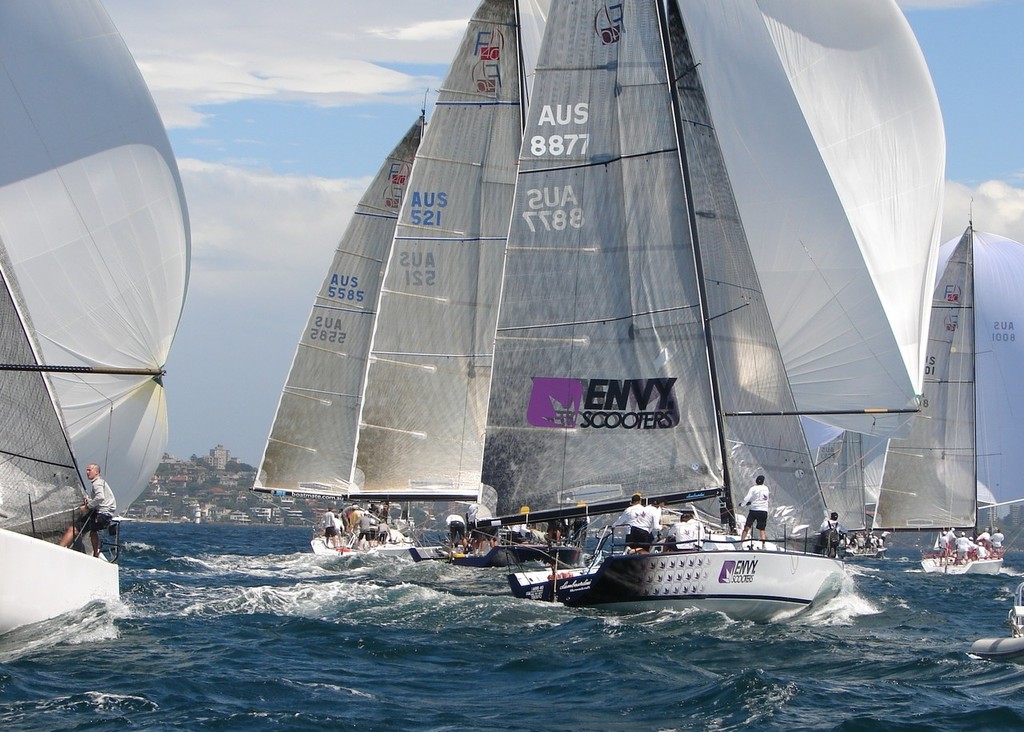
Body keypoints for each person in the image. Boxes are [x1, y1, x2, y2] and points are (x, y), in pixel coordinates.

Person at [59, 463, 117, 557]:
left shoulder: (97, 483)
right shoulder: (101, 482)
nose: (87, 472)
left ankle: (59, 549)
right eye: (87, 470)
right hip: (106, 516)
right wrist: (89, 500)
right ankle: (95, 553)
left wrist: (87, 506)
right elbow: (101, 499)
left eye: (89, 470)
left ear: (97, 472)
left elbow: (100, 498)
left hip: (100, 515)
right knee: (93, 531)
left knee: (73, 529)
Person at [738, 475, 769, 547]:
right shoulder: (766, 488)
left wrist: (742, 504)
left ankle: (741, 544)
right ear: (763, 481)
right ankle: (763, 545)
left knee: (747, 527)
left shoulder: (753, 488)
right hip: (763, 511)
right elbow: (762, 498)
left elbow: (747, 498)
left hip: (754, 510)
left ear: (756, 481)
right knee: (762, 529)